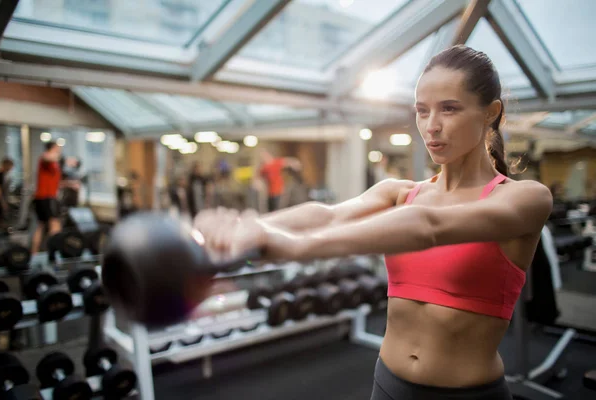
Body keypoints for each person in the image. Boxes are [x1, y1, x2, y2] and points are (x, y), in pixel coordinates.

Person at [195, 46, 553, 400]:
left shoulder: (524, 199)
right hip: (388, 386)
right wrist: (252, 226)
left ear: (491, 113)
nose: (432, 126)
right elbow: (328, 214)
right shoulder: (400, 192)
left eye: (449, 109)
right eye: (422, 111)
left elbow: (429, 225)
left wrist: (297, 247)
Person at [31, 142, 63, 254]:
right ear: (53, 148)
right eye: (58, 147)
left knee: (42, 225)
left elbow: (55, 181)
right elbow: (46, 157)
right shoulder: (46, 158)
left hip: (46, 197)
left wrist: (70, 183)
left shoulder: (54, 164)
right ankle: (52, 253)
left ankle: (34, 253)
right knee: (55, 226)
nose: (60, 149)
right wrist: (59, 157)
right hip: (46, 197)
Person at [0, 157, 15, 224]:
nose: (10, 170)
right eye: (10, 168)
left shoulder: (2, 174)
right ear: (6, 165)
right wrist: (2, 202)